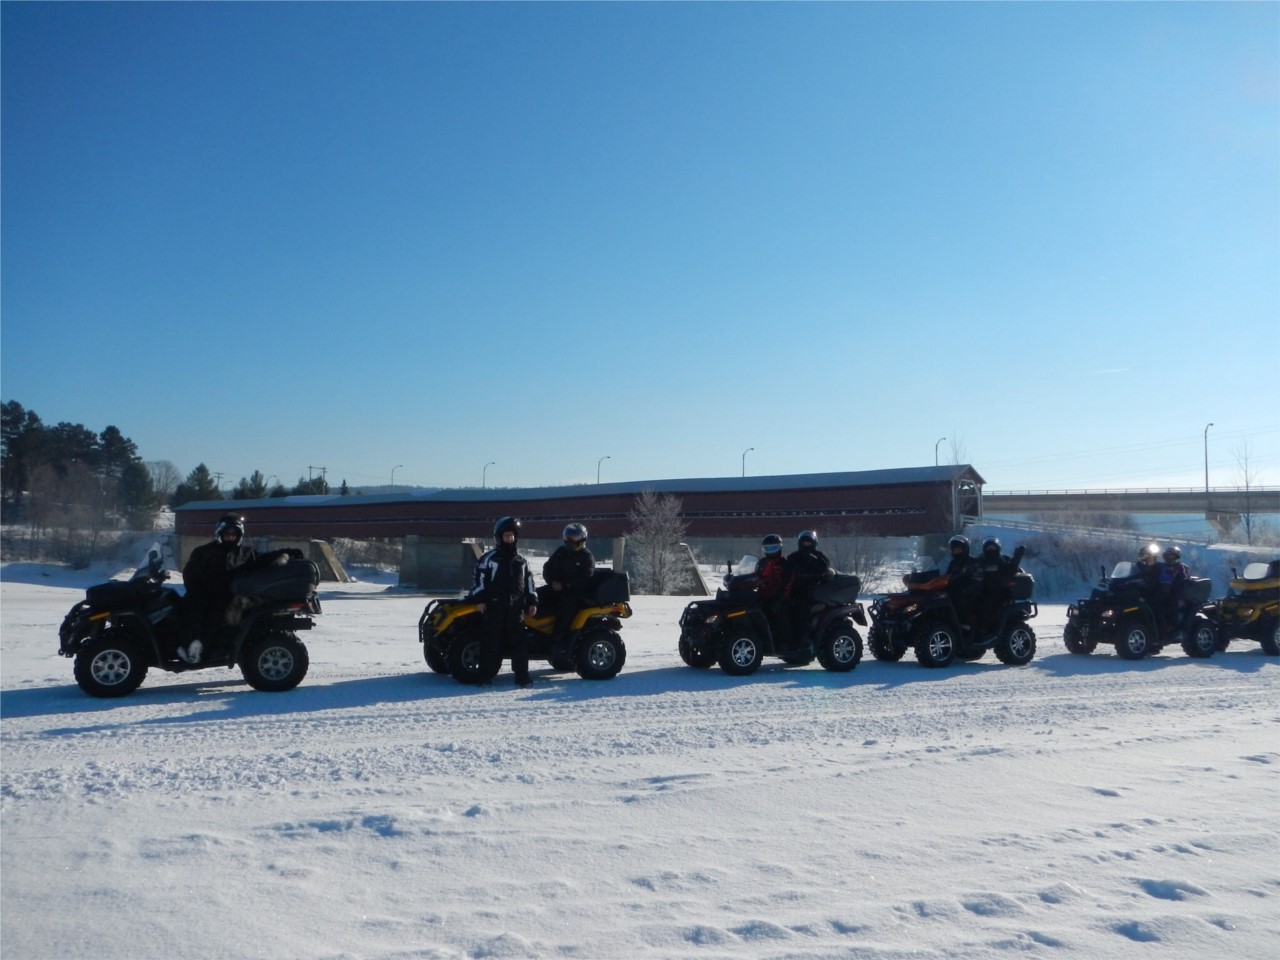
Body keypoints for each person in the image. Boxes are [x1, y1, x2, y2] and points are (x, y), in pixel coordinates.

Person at [178, 513, 260, 664]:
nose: (230, 537)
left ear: (239, 535)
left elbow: (262, 562)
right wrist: (197, 590)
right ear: (220, 534)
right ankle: (187, 645)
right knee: (182, 608)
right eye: (227, 534)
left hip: (229, 598)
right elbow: (189, 574)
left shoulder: (246, 553)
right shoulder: (204, 551)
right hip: (203, 594)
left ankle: (200, 652)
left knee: (214, 616)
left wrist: (284, 555)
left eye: (234, 534)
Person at [470, 517, 539, 686]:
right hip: (494, 607)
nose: (509, 539)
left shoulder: (521, 561)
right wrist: (479, 600)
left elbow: (529, 584)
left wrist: (532, 602)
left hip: (515, 609)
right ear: (498, 537)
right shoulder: (489, 559)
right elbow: (478, 580)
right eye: (506, 536)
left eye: (512, 536)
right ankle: (485, 677)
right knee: (491, 643)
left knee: (519, 644)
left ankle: (522, 677)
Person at [541, 522, 595, 660]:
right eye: (568, 537)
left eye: (574, 538)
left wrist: (565, 585)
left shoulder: (586, 557)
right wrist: (552, 582)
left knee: (565, 609)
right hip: (556, 588)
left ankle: (558, 642)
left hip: (575, 593)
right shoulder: (560, 552)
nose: (570, 541)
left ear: (582, 539)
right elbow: (547, 568)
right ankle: (535, 632)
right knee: (534, 596)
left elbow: (584, 578)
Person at [784, 530, 831, 651]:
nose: (806, 545)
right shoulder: (794, 557)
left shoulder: (819, 557)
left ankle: (803, 641)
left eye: (808, 543)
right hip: (794, 590)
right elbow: (786, 570)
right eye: (804, 543)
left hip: (813, 591)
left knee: (801, 610)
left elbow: (824, 568)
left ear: (814, 543)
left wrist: (810, 558)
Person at [976, 537, 1026, 635]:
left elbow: (1011, 570)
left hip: (999, 593)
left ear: (997, 548)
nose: (991, 550)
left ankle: (984, 630)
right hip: (981, 591)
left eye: (993, 548)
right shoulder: (980, 560)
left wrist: (1016, 559)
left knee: (985, 606)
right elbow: (972, 572)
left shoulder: (1002, 560)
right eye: (988, 548)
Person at [753, 534, 793, 649]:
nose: (770, 551)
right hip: (763, 595)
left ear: (780, 548)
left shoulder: (785, 564)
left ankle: (784, 642)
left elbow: (788, 583)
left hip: (780, 597)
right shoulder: (762, 563)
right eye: (767, 548)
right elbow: (754, 577)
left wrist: (780, 599)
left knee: (779, 613)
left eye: (773, 548)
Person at [944, 534, 981, 634]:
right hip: (955, 591)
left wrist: (966, 589)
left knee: (961, 603)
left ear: (965, 549)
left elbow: (977, 580)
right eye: (954, 550)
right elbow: (947, 576)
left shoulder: (972, 562)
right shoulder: (953, 563)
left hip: (971, 593)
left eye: (959, 550)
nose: (956, 552)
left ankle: (967, 629)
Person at [1157, 545, 1191, 639]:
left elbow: (1182, 582)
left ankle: (1174, 629)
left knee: (1171, 604)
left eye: (1172, 556)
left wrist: (1179, 595)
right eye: (1167, 556)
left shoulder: (1180, 568)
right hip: (1162, 592)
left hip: (1175, 594)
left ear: (1177, 557)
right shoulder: (1161, 567)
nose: (1169, 558)